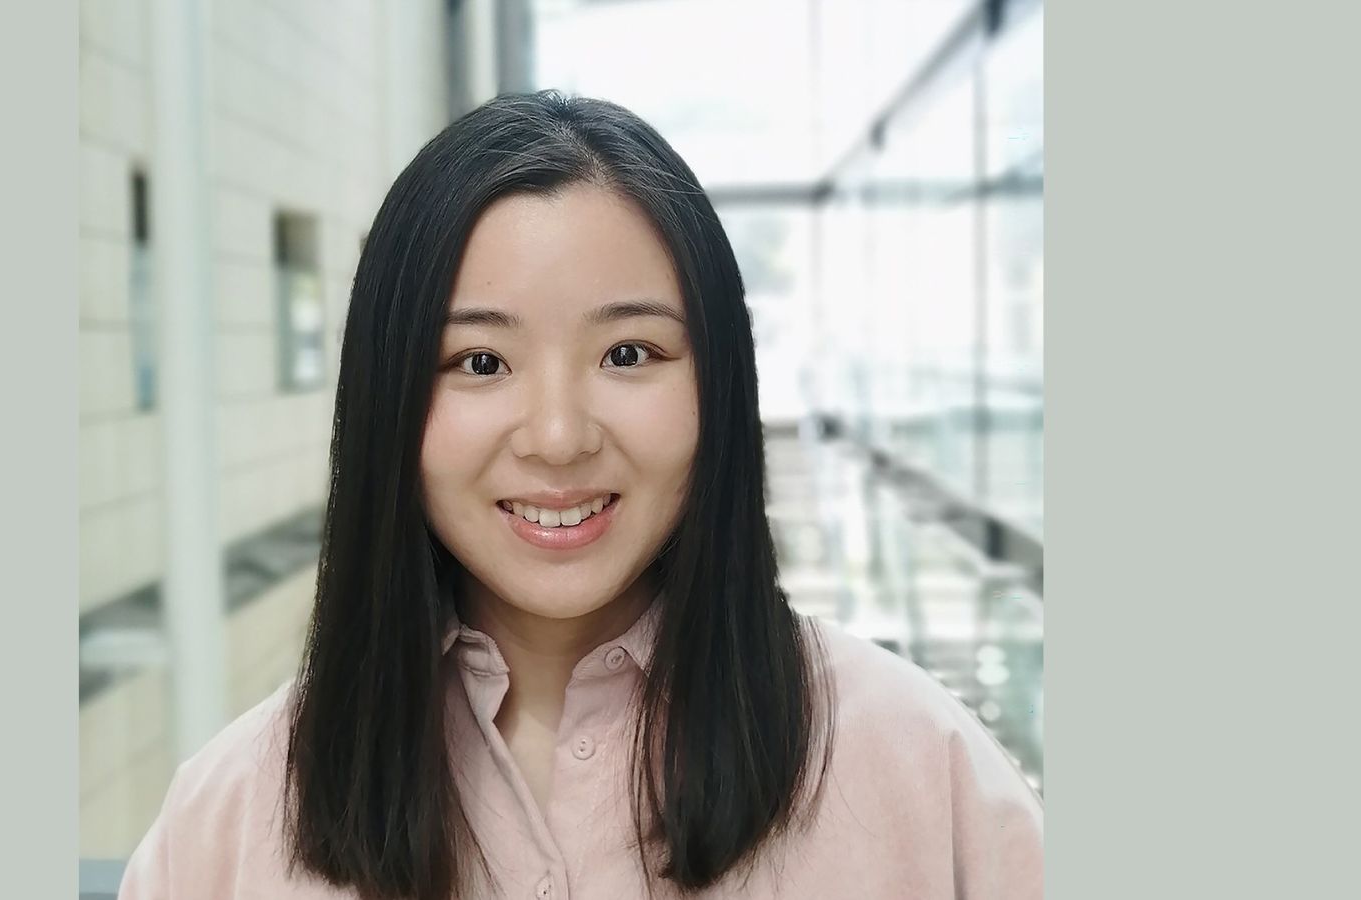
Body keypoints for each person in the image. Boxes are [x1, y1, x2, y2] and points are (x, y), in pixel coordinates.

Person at [117, 90, 1043, 900]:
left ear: (718, 382)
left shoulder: (922, 771)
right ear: (387, 397)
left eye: (627, 354)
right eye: (480, 362)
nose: (558, 436)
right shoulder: (226, 822)